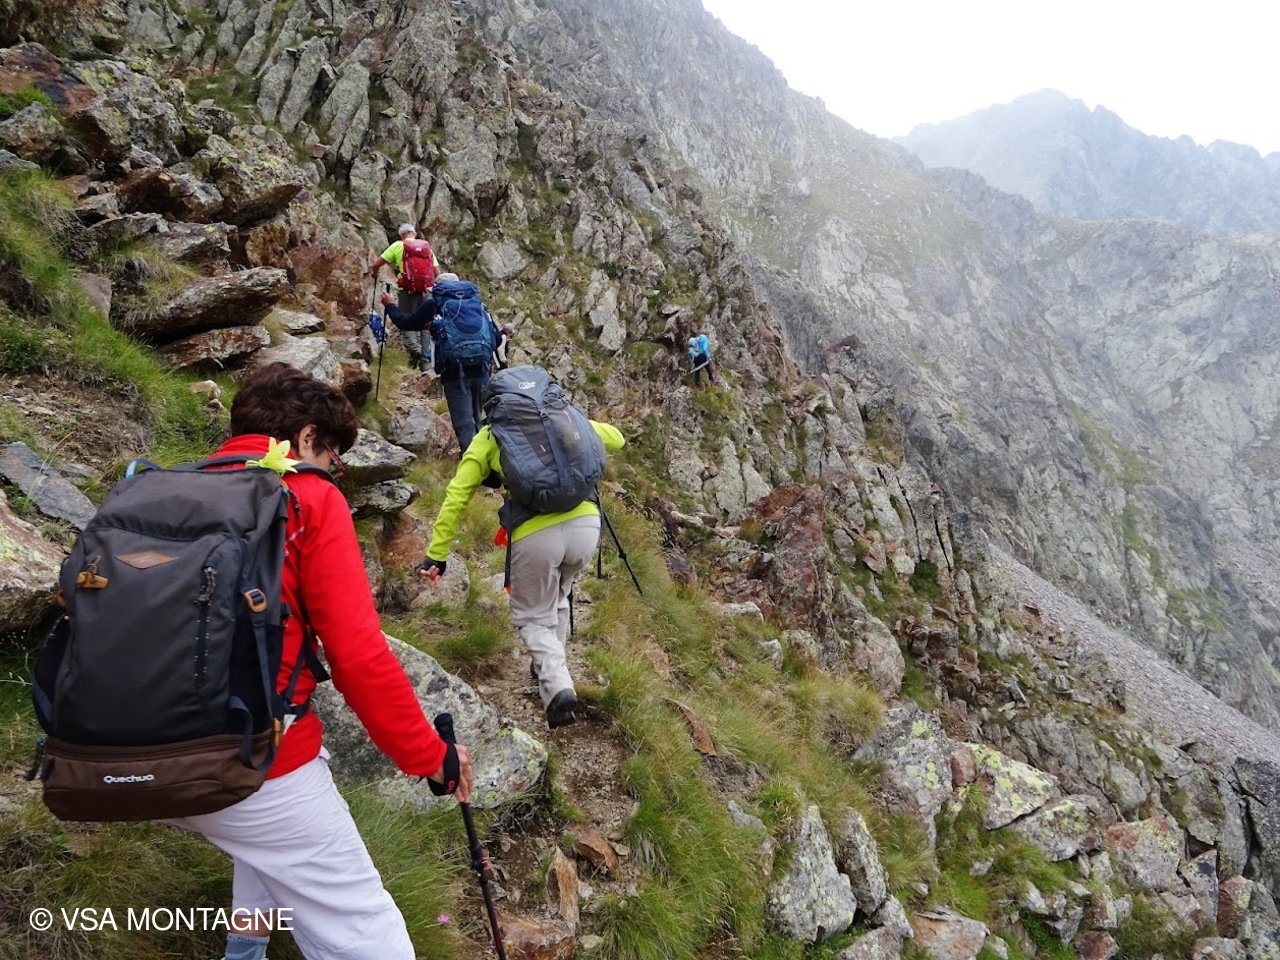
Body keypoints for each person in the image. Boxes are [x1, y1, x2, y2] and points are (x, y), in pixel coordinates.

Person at [168, 362, 474, 960]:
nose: (336, 470)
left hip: (127, 750)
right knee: (369, 937)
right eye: (334, 456)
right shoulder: (306, 497)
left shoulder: (172, 490)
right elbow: (358, 656)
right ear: (307, 437)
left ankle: (244, 952)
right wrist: (431, 757)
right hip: (246, 758)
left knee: (269, 838)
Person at [417, 371, 625, 729]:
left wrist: (437, 553)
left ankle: (558, 687)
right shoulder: (563, 421)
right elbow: (616, 439)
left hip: (536, 534)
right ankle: (549, 666)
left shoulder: (490, 437)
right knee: (559, 593)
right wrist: (575, 423)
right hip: (587, 525)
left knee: (531, 617)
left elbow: (456, 496)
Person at [383, 273, 496, 454]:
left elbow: (406, 323)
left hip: (455, 374)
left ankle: (473, 466)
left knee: (464, 425)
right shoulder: (477, 304)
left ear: (438, 289)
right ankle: (488, 462)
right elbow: (496, 339)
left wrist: (389, 305)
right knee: (480, 420)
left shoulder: (435, 304)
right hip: (483, 372)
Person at [370, 223, 439, 370]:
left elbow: (376, 264)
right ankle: (426, 359)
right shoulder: (426, 247)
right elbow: (436, 271)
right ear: (414, 233)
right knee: (427, 324)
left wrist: (375, 274)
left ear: (401, 235)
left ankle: (414, 348)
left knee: (406, 319)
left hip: (407, 289)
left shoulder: (398, 246)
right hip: (426, 290)